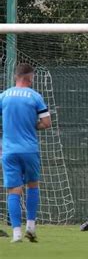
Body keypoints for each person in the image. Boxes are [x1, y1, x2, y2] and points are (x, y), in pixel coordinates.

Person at [0, 63, 52, 243]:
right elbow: (46, 123)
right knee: (32, 186)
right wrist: (32, 126)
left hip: (8, 150)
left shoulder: (4, 96)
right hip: (29, 149)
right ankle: (31, 226)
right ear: (29, 77)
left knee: (14, 190)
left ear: (16, 76)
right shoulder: (35, 96)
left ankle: (16, 234)